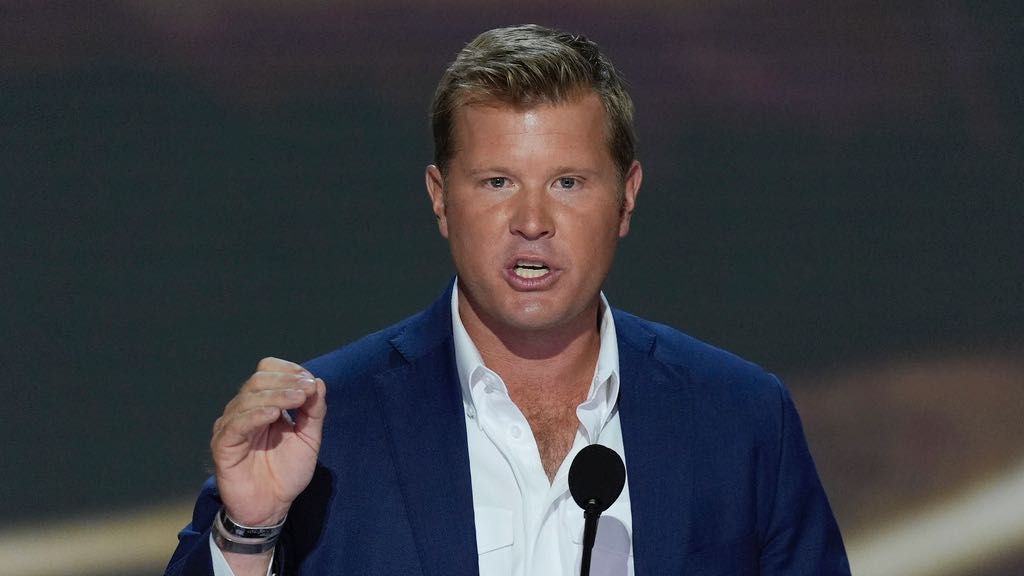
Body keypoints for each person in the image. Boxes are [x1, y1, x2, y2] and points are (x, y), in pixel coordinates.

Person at [166, 24, 850, 576]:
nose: (532, 220)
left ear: (627, 197)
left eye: (569, 183)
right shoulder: (324, 424)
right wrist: (249, 533)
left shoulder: (740, 417)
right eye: (497, 182)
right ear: (440, 199)